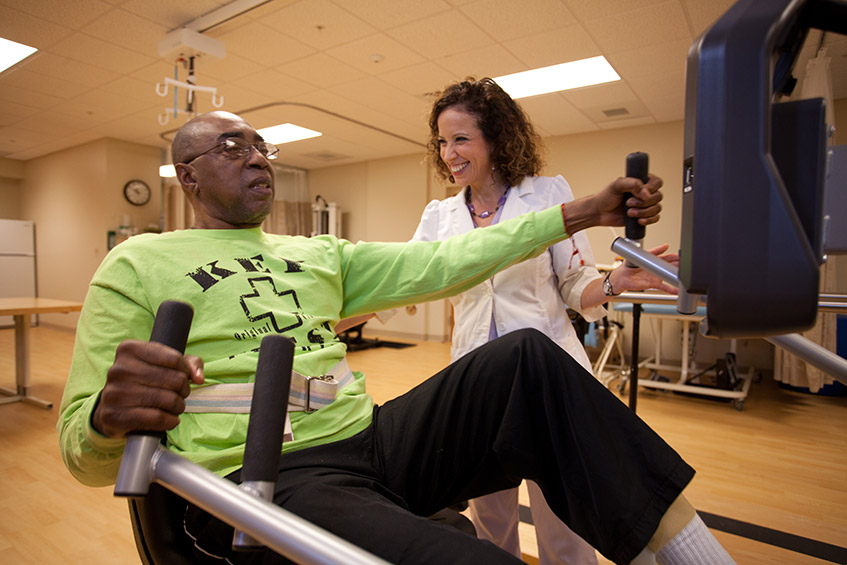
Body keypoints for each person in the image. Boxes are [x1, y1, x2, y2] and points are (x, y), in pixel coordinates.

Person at [57, 110, 733, 565]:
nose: (257, 157)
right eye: (234, 147)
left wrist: (581, 211)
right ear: (189, 173)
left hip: (367, 439)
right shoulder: (137, 263)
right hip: (258, 472)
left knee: (531, 358)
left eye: (264, 146)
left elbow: (447, 262)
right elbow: (82, 452)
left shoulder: (316, 253)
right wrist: (108, 418)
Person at [380, 77, 680, 564]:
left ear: (495, 137)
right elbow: (403, 281)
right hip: (476, 387)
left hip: (547, 380)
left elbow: (575, 283)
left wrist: (614, 283)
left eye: (460, 138)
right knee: (490, 521)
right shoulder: (439, 217)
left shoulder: (545, 196)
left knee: (564, 524)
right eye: (442, 140)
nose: (448, 152)